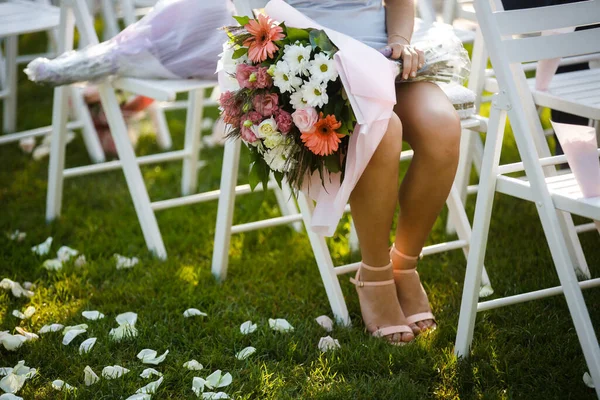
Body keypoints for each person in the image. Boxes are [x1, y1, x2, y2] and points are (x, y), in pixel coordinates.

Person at [285, 0, 461, 344]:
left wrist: (399, 39)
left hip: (384, 58)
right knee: (383, 128)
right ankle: (375, 273)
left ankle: (404, 263)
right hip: (315, 64)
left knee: (442, 127)